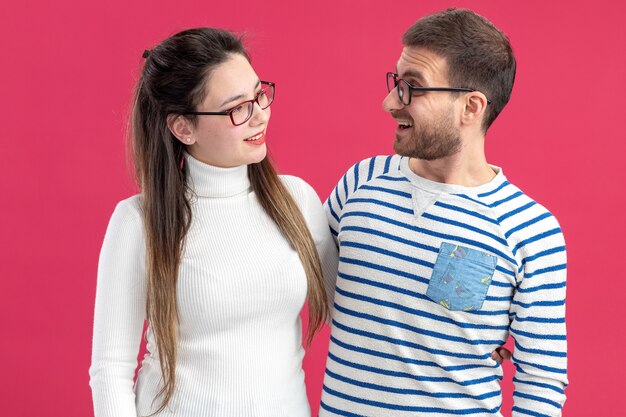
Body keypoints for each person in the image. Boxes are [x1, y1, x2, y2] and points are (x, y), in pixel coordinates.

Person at [319, 8, 567, 417]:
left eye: (412, 88)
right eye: (396, 81)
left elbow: (542, 378)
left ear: (471, 108)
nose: (389, 102)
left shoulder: (529, 230)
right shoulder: (359, 183)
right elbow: (302, 284)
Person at [88, 28, 338, 417]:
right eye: (238, 107)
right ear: (184, 128)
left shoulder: (297, 201)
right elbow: (110, 371)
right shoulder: (139, 223)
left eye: (259, 94)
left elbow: (359, 306)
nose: (260, 115)